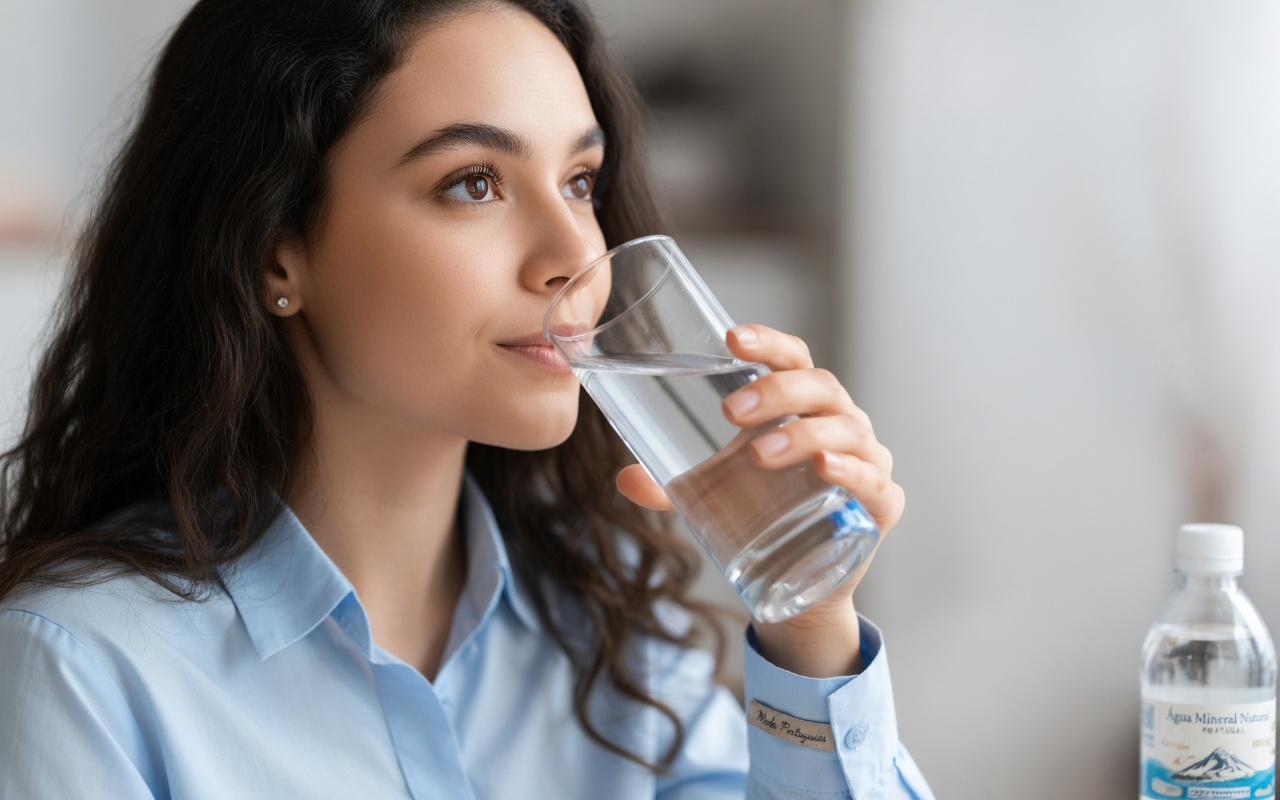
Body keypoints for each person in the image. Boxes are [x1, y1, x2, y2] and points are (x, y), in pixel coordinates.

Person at [0, 1, 934, 797]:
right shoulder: (82, 668)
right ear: (274, 248)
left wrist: (810, 623)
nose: (573, 253)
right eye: (474, 183)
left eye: (579, 182)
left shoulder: (610, 641)